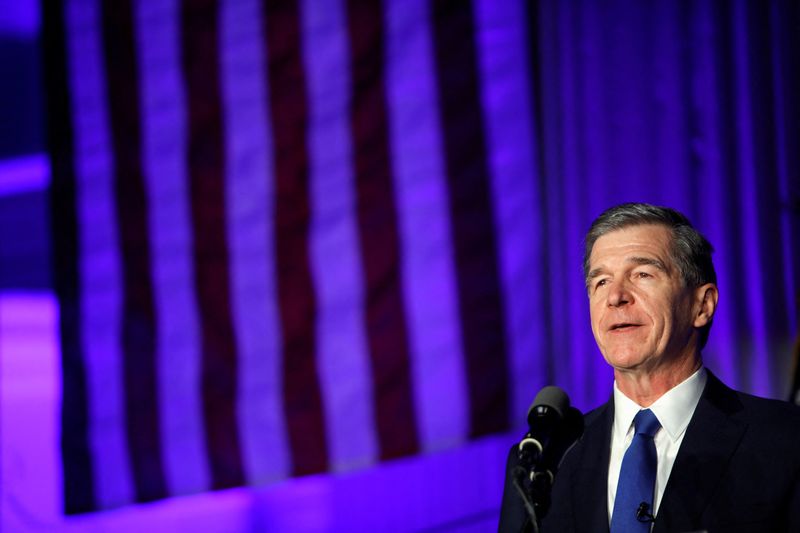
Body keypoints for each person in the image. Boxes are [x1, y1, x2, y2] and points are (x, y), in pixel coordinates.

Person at [498, 203, 800, 533]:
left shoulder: (786, 440)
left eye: (642, 274)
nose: (615, 297)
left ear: (702, 306)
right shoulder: (543, 462)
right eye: (600, 282)